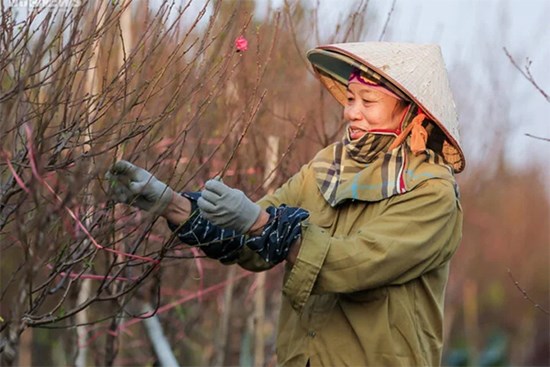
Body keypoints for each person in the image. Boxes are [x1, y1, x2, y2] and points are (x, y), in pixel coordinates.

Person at [107, 42, 464, 366]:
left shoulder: (431, 193)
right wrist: (172, 204)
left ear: (412, 114)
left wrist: (262, 224)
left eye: (367, 102)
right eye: (350, 99)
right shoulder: (328, 167)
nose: (350, 113)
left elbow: (351, 265)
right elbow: (250, 241)